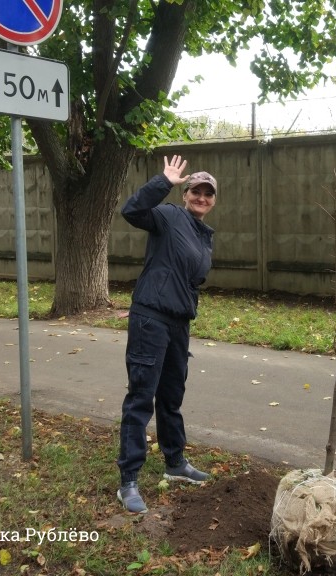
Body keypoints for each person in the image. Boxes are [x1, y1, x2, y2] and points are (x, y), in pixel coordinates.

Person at [116, 155, 218, 514]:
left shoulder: (204, 234)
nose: (201, 198)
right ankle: (128, 480)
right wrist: (164, 181)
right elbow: (132, 210)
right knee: (142, 397)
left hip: (178, 324)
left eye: (208, 194)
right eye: (196, 191)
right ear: (186, 192)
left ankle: (175, 462)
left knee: (171, 395)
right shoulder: (169, 215)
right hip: (151, 319)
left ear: (213, 200)